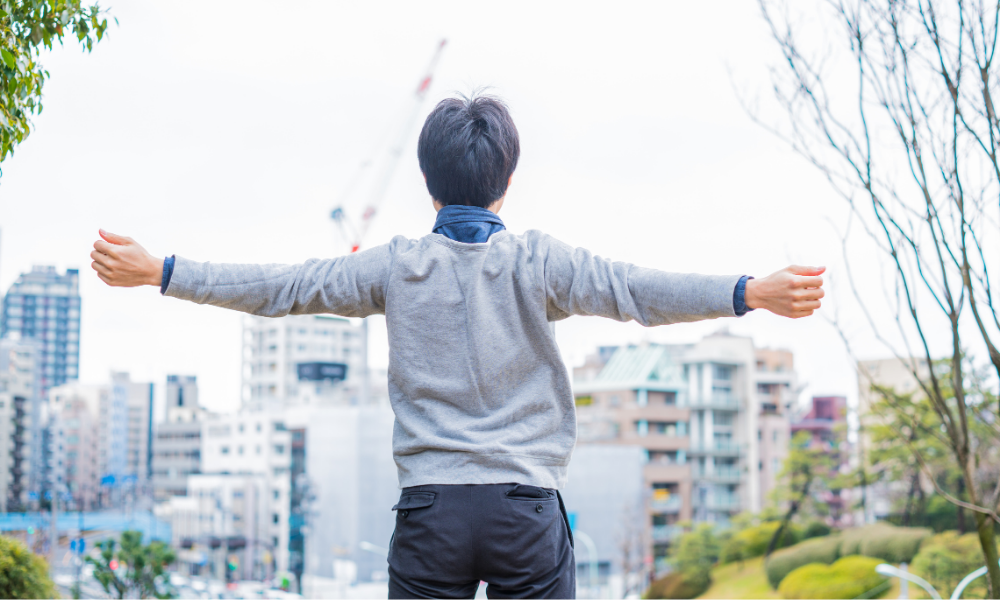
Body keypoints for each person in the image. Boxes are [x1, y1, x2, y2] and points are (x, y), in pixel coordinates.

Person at [90, 93, 824, 599]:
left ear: (426, 182)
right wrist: (749, 290)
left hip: (431, 514)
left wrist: (162, 271)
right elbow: (637, 290)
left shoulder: (396, 266)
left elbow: (285, 286)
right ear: (507, 180)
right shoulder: (540, 262)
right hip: (525, 511)